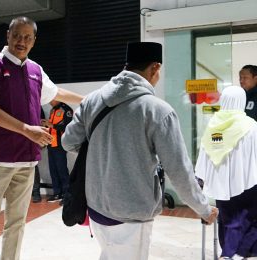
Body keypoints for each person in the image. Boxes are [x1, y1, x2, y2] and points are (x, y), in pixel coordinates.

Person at [61, 42, 218, 260]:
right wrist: (203, 208)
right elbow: (179, 170)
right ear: (155, 68)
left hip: (96, 206)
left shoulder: (92, 101)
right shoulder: (157, 110)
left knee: (109, 254)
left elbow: (68, 142)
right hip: (132, 212)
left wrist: (102, 151)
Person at [0, 16, 83, 260]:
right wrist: (27, 130)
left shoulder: (35, 70)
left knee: (18, 222)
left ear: (34, 41)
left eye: (27, 37)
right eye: (17, 35)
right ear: (8, 35)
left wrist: (88, 100)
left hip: (26, 159)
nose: (22, 41)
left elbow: (55, 92)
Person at [195, 86, 257, 259]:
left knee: (227, 219)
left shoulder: (213, 125)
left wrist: (201, 179)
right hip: (249, 183)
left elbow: (203, 156)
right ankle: (236, 253)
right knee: (248, 217)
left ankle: (230, 252)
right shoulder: (251, 126)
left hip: (220, 184)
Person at [43, 100, 73, 203]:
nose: (50, 102)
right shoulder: (52, 110)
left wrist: (52, 125)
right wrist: (46, 125)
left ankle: (66, 194)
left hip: (60, 145)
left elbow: (68, 127)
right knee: (53, 170)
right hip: (51, 143)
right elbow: (51, 127)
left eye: (51, 100)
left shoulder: (66, 109)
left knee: (62, 170)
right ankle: (57, 193)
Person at [32, 108, 46, 203]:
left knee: (33, 165)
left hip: (33, 140)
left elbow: (43, 124)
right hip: (16, 139)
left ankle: (36, 192)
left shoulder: (37, 106)